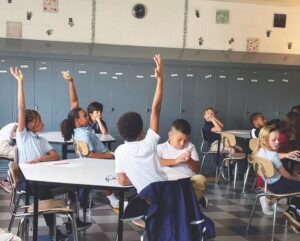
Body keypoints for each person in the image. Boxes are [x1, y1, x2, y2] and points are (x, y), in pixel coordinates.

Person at [10, 66, 68, 241]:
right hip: (27, 182)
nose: (41, 122)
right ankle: (53, 229)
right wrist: (20, 82)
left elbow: (55, 156)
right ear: (29, 124)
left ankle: (73, 221)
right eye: (38, 119)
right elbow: (21, 108)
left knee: (69, 188)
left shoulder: (41, 139)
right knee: (44, 192)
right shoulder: (23, 136)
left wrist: (40, 159)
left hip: (42, 177)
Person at [60, 71, 119, 209]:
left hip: (90, 161)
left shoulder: (79, 129)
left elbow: (74, 102)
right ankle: (115, 199)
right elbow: (91, 155)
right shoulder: (83, 134)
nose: (87, 117)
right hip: (97, 161)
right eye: (85, 116)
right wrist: (110, 155)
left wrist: (71, 82)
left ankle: (105, 197)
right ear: (77, 120)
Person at [115, 54, 168, 193]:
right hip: (166, 191)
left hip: (147, 198)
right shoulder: (149, 143)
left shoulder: (120, 151)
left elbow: (122, 181)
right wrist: (160, 79)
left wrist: (141, 178)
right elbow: (155, 110)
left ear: (122, 134)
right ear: (141, 132)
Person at [253, 126, 300, 232]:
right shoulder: (273, 155)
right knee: (298, 186)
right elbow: (286, 175)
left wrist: (287, 154)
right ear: (264, 140)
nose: (278, 142)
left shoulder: (259, 152)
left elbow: (274, 156)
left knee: (296, 187)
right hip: (280, 185)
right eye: (274, 140)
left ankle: (290, 210)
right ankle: (294, 213)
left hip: (268, 185)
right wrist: (296, 178)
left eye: (278, 139)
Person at [157, 118, 208, 207]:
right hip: (169, 183)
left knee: (201, 179)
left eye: (185, 140)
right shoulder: (161, 148)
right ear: (170, 135)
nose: (182, 143)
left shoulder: (190, 147)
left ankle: (190, 200)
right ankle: (195, 199)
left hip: (187, 183)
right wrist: (176, 160)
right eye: (179, 139)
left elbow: (197, 169)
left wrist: (189, 160)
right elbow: (155, 162)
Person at [0, 122, 17, 193]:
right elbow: (14, 134)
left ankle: (8, 180)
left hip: (3, 144)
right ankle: (8, 180)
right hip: (2, 145)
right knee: (20, 156)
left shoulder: (13, 124)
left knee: (19, 155)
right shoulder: (17, 125)